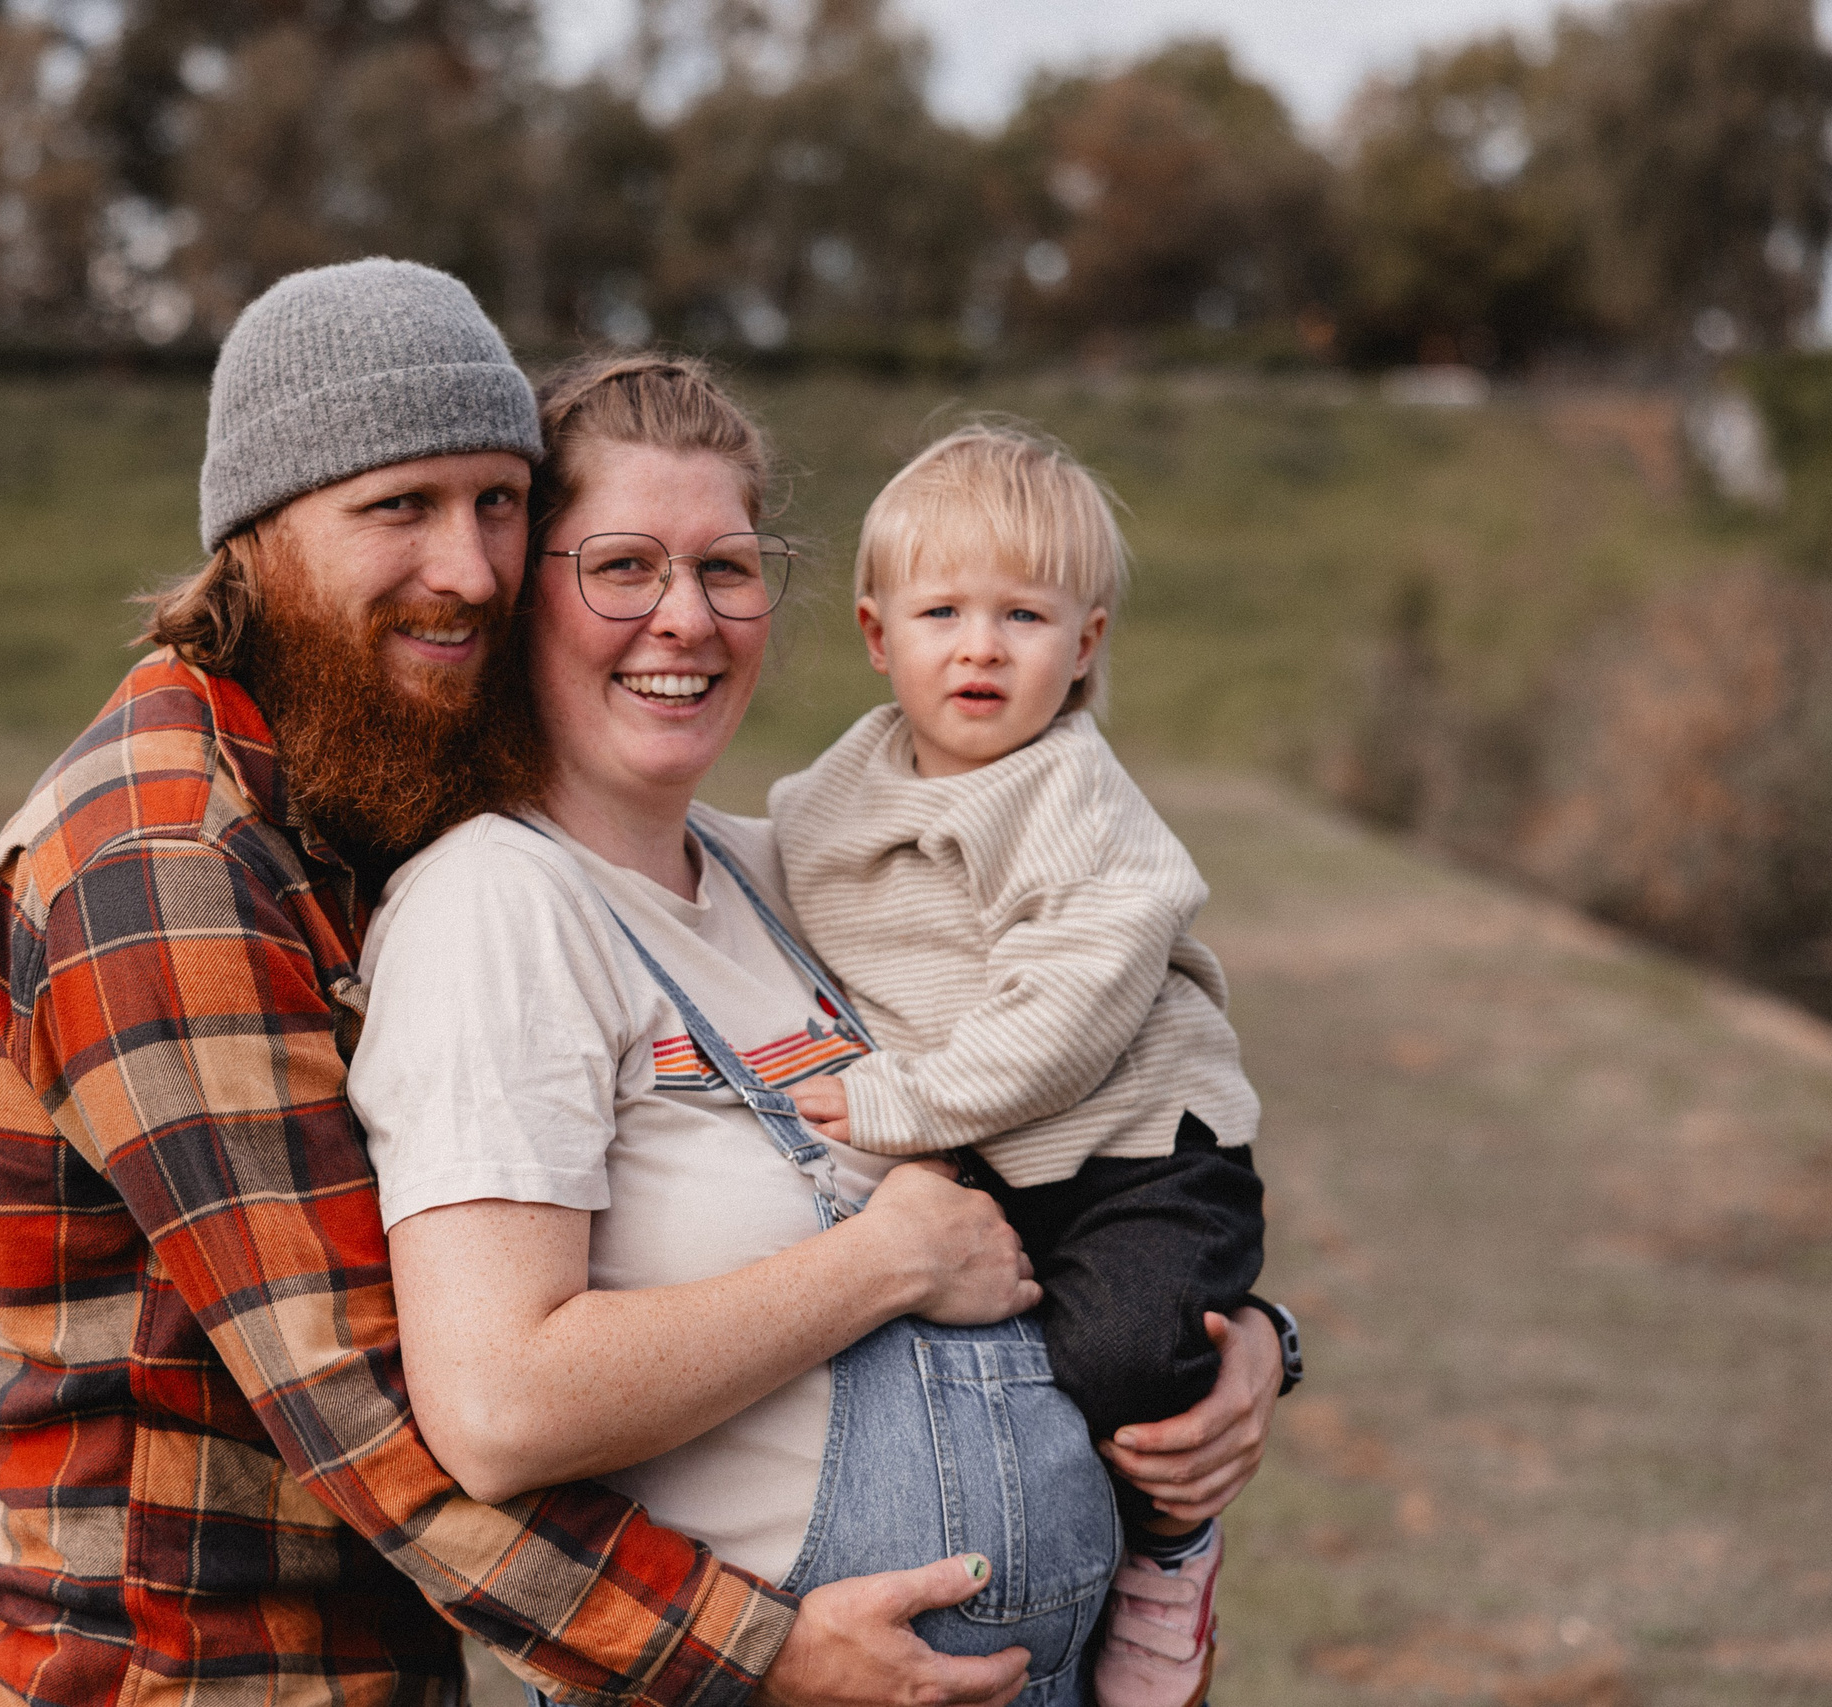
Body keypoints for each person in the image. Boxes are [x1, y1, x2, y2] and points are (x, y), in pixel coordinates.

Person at [0, 261, 1048, 1707]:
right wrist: (761, 1651)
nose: (469, 567)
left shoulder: (361, 772)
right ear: (257, 533)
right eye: (399, 506)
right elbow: (367, 1402)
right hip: (158, 1670)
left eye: (499, 504)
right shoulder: (160, 856)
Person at [346, 359, 1286, 1707]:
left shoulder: (790, 872)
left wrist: (1244, 1342)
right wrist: (885, 1259)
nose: (685, 617)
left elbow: (1103, 1073)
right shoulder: (500, 907)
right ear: (519, 598)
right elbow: (501, 1408)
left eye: (728, 567)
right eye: (620, 565)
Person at [771, 423, 1301, 1707]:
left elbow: (1064, 1018)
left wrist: (896, 1102)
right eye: (941, 610)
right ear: (873, 632)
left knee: (1120, 1359)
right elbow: (768, 881)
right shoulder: (834, 792)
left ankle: (1168, 1559)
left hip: (1139, 1158)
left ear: (1086, 645)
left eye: (1023, 615)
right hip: (1009, 1159)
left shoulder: (1074, 797)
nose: (979, 645)